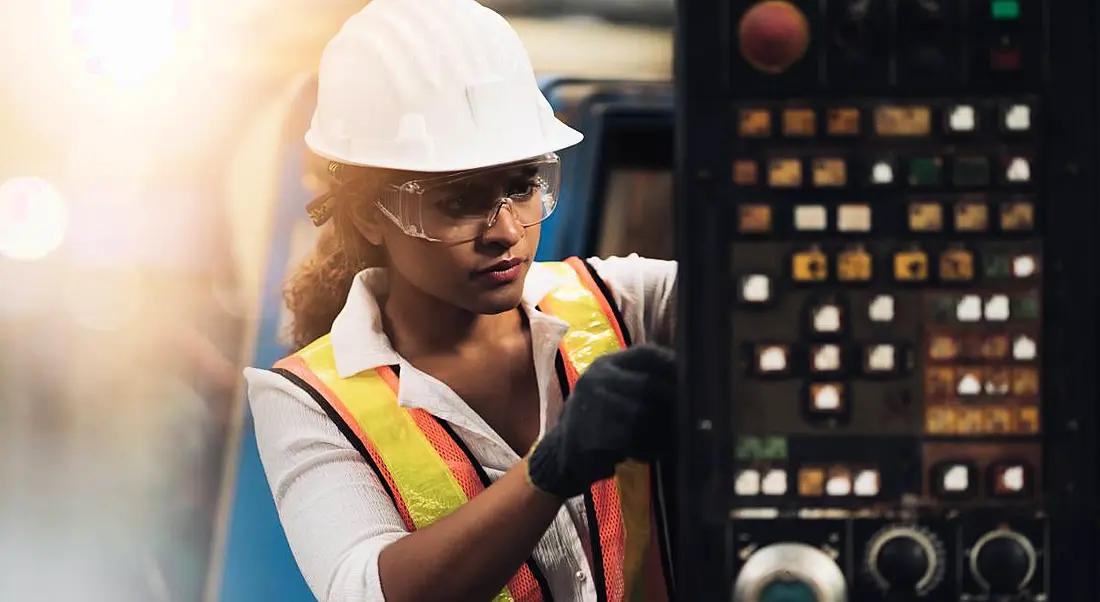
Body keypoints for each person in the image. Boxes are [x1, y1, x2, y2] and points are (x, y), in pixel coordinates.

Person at [244, 1, 679, 600]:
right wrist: (549, 470)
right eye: (459, 200)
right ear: (372, 213)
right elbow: (365, 590)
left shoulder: (624, 303)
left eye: (523, 186)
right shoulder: (309, 400)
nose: (505, 231)